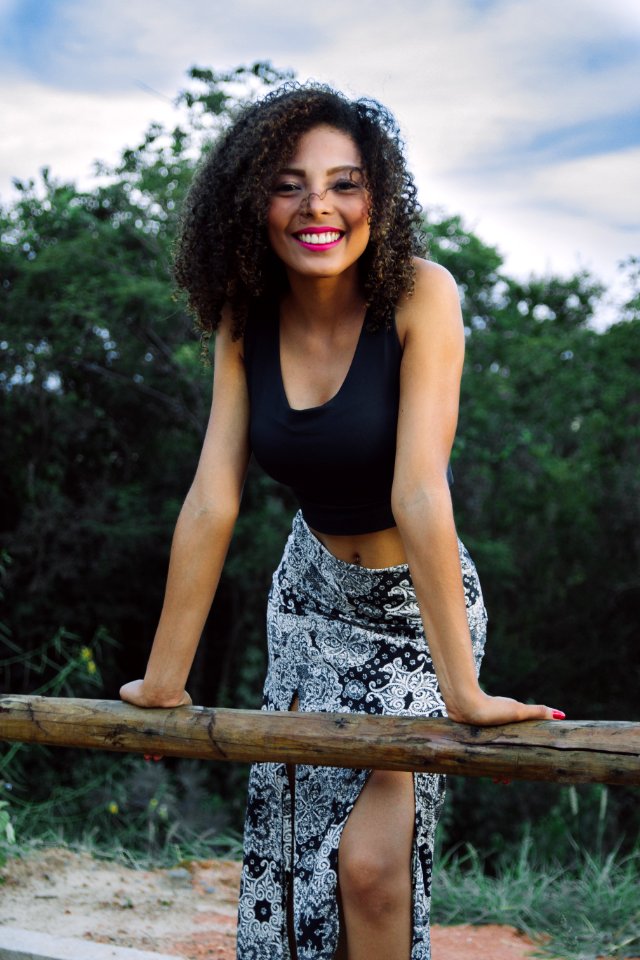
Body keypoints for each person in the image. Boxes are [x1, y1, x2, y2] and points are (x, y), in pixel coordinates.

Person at [120, 84, 564, 960]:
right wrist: (163, 682)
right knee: (295, 866)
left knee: (368, 870)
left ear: (379, 197)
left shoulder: (421, 296)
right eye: (289, 183)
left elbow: (419, 492)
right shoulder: (245, 321)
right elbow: (214, 497)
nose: (318, 206)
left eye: (345, 182)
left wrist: (464, 689)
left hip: (415, 612)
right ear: (252, 201)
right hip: (309, 601)